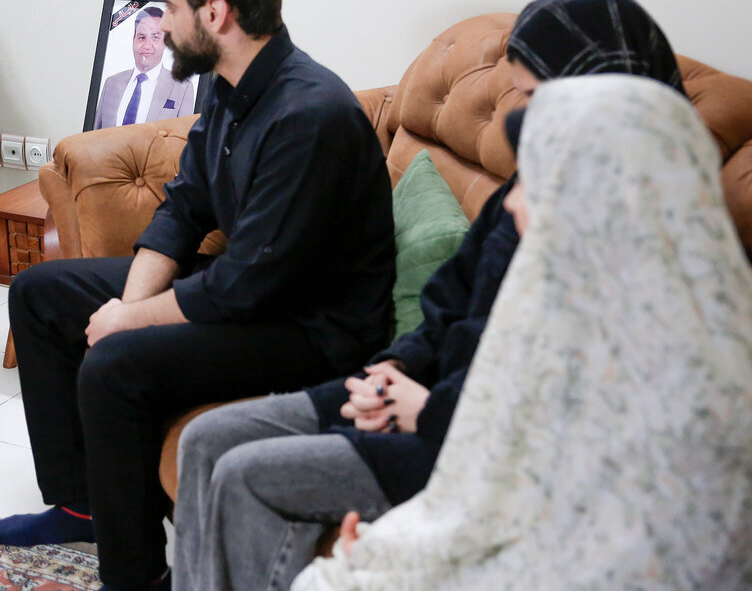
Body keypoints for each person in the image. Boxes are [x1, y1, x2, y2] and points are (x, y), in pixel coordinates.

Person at [172, 0, 686, 591]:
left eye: (532, 96)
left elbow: (562, 399)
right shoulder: (527, 185)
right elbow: (448, 299)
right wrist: (393, 369)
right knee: (206, 438)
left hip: (467, 443)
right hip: (418, 392)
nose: (523, 121)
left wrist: (427, 410)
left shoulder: (636, 231)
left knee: (246, 475)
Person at [0, 0, 396, 591]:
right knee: (40, 293)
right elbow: (183, 207)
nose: (163, 25)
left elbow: (245, 286)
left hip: (313, 329)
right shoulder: (232, 87)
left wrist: (127, 323)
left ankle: (136, 578)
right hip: (255, 291)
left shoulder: (309, 115)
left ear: (216, 12)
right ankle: (82, 505)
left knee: (114, 364)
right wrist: (129, 305)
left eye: (170, 8)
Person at [292, 74, 752, 590]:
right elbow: (496, 490)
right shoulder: (577, 303)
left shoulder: (678, 381)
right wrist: (383, 549)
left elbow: (574, 554)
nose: (511, 204)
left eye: (536, 183)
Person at [93, 7, 196, 128]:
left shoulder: (182, 88)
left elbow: (183, 137)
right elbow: (94, 134)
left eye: (155, 37)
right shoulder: (111, 83)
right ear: (133, 40)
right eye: (141, 37)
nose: (147, 45)